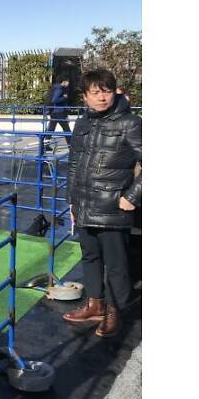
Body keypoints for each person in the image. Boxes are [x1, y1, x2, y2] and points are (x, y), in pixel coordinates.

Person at [63, 69, 142, 337]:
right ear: (84, 96)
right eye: (95, 92)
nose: (101, 97)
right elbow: (73, 165)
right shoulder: (82, 123)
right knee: (90, 256)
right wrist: (72, 202)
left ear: (115, 91)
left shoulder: (130, 123)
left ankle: (115, 310)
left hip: (113, 207)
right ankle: (95, 303)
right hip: (84, 203)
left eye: (106, 91)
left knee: (117, 264)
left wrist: (133, 196)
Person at [45, 77, 72, 146]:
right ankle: (71, 146)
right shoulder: (59, 89)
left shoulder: (56, 87)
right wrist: (64, 98)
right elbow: (54, 100)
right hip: (59, 112)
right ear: (63, 81)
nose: (68, 83)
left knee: (51, 129)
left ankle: (45, 146)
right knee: (66, 129)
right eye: (67, 81)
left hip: (54, 112)